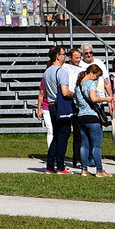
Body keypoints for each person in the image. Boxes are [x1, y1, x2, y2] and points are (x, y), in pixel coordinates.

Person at [42, 46, 75, 174]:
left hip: (50, 105)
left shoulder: (46, 72)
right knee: (63, 136)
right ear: (57, 56)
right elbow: (65, 92)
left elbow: (44, 92)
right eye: (63, 54)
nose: (65, 56)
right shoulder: (61, 72)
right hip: (60, 106)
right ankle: (60, 166)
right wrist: (76, 94)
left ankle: (50, 166)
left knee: (55, 136)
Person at [79, 62, 112, 177]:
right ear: (92, 72)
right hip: (92, 117)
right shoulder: (91, 83)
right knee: (96, 145)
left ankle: (84, 169)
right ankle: (100, 170)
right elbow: (93, 98)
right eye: (97, 76)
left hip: (81, 116)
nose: (97, 78)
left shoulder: (79, 85)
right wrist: (105, 98)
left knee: (84, 145)